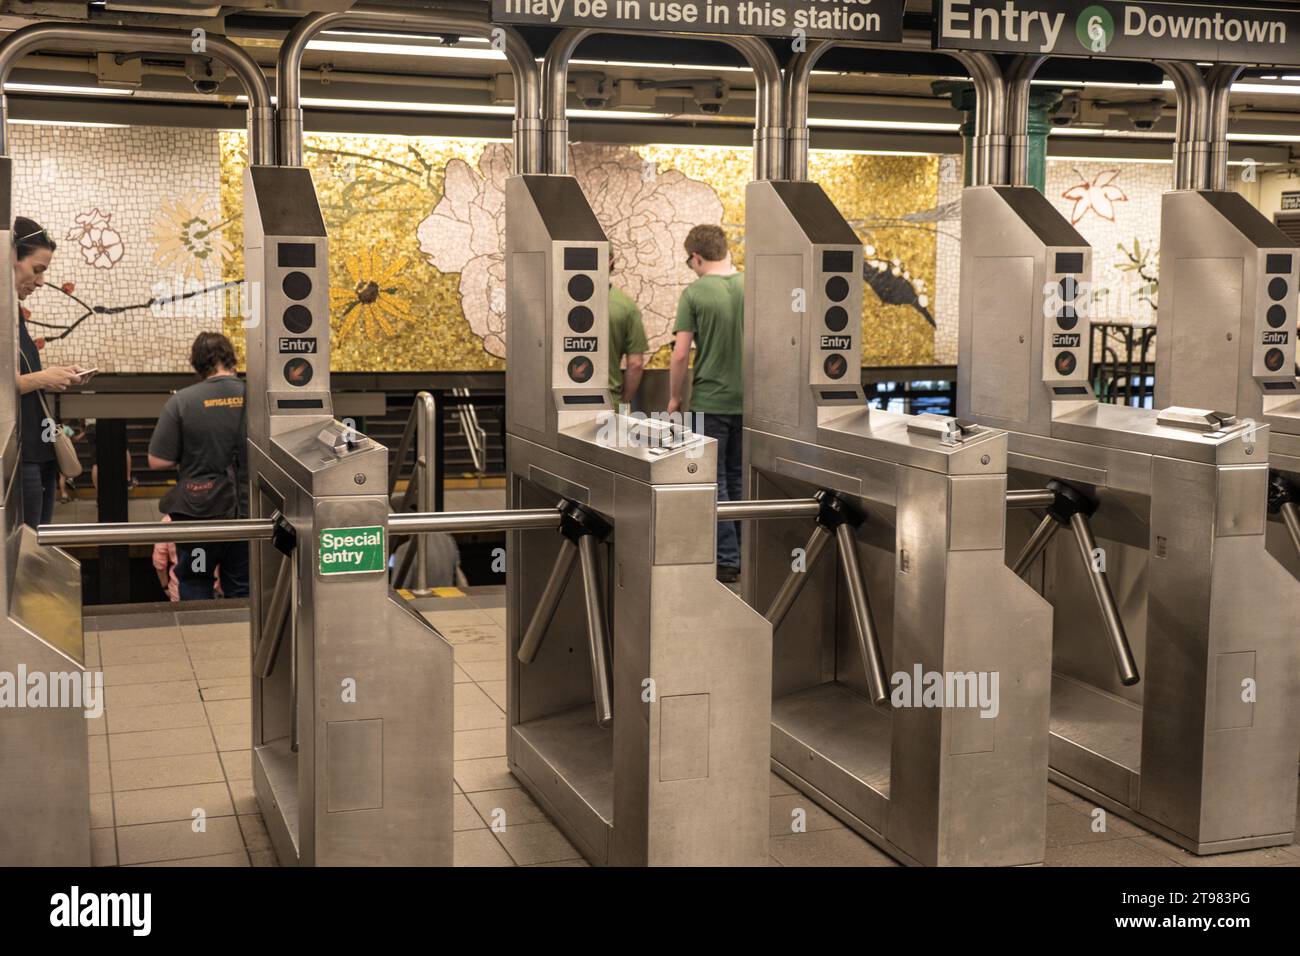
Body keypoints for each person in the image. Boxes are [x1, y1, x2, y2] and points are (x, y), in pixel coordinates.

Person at [668, 224, 744, 582]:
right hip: (750, 401)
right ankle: (747, 552)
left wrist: (674, 398)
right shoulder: (750, 286)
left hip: (708, 401)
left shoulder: (695, 293)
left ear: (696, 257)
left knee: (713, 480)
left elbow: (681, 354)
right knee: (741, 477)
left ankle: (726, 559)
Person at [147, 332, 249, 599]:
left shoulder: (183, 400)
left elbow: (158, 461)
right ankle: (243, 638)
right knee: (242, 584)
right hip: (246, 514)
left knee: (196, 578)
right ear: (232, 358)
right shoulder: (255, 397)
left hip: (199, 515)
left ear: (196, 364)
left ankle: (200, 636)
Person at [12, 217, 86, 530]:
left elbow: (21, 375)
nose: (40, 282)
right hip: (21, 452)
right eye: (37, 269)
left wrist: (57, 375)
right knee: (27, 547)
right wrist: (46, 377)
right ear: (9, 256)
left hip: (40, 447)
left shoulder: (12, 311)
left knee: (42, 543)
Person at [608, 260, 649, 409]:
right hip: (610, 402)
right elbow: (635, 364)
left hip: (564, 406)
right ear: (610, 262)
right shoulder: (625, 306)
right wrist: (623, 402)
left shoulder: (560, 302)